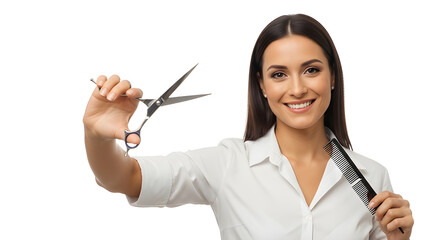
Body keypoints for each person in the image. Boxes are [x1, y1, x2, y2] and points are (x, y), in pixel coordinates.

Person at [83, 14, 414, 239]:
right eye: (279, 74)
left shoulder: (371, 178)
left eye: (311, 70)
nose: (297, 88)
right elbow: (122, 178)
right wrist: (96, 136)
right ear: (262, 86)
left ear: (333, 78)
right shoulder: (228, 165)